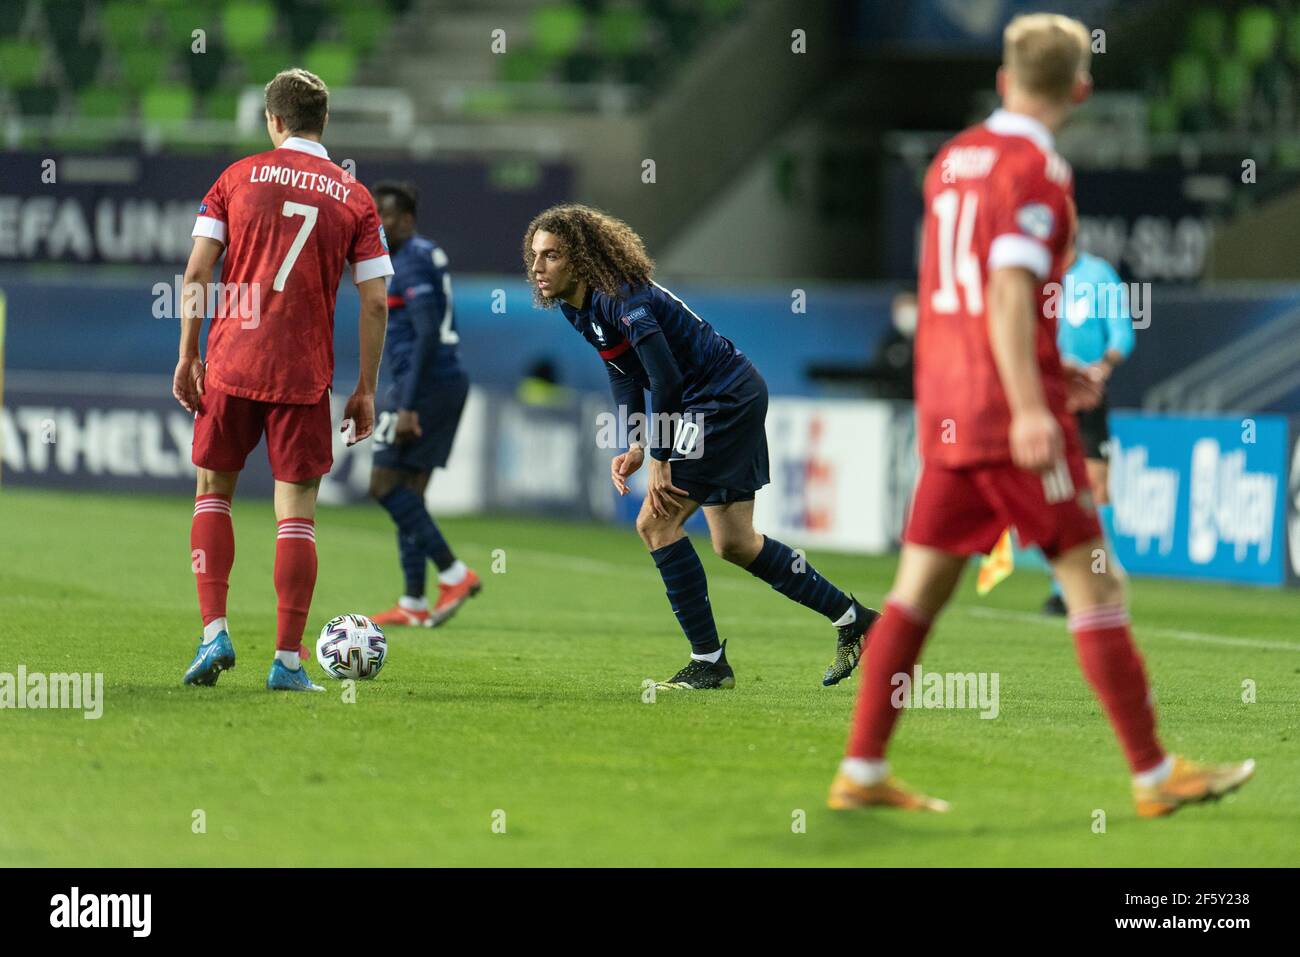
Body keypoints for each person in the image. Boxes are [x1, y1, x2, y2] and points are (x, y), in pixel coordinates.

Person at [829, 14, 1254, 817]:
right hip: (1008, 419)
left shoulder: (952, 160)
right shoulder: (1036, 167)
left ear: (1002, 79)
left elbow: (955, 296)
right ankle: (1155, 775)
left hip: (950, 408)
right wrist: (1031, 401)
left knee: (917, 590)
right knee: (1098, 583)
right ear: (1081, 88)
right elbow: (1009, 289)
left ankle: (863, 766)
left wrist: (1048, 367)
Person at [524, 204, 877, 689]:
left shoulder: (625, 298)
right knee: (735, 543)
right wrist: (634, 441)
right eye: (536, 256)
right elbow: (621, 370)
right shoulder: (578, 307)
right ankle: (854, 620)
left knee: (655, 521)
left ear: (580, 259)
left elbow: (665, 378)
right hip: (723, 397)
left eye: (552, 256)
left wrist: (660, 456)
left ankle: (709, 662)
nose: (539, 268)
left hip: (721, 400)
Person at [174, 68, 392, 692]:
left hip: (232, 360)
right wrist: (366, 388)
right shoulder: (355, 197)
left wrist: (189, 353)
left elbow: (196, 273)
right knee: (295, 513)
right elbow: (375, 303)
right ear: (324, 123)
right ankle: (288, 661)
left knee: (213, 490)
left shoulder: (236, 178)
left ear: (272, 120)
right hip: (303, 371)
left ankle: (214, 632)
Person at [365, 181, 480, 628]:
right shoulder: (423, 254)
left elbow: (427, 332)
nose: (379, 223)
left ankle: (454, 573)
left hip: (424, 387)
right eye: (375, 215)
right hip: (440, 382)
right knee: (409, 493)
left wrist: (408, 404)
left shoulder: (410, 259)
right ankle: (413, 602)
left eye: (387, 216)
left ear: (407, 219)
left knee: (383, 486)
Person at [1041, 201, 1133, 615]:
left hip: (1089, 396)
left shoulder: (1099, 276)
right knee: (1056, 490)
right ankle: (1062, 587)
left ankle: (1099, 574)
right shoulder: (1035, 278)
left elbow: (1122, 333)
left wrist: (1102, 366)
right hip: (1046, 398)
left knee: (1096, 486)